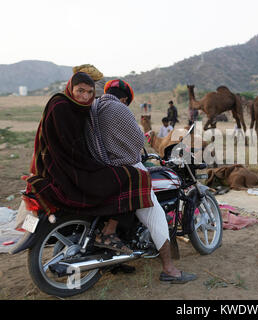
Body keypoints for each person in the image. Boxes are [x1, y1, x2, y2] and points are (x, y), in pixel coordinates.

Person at [26, 72, 154, 256]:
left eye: (89, 92)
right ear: (70, 89)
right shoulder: (61, 106)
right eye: (80, 91)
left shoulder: (78, 107)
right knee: (134, 176)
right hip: (68, 171)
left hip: (70, 166)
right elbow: (68, 147)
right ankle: (108, 233)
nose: (85, 96)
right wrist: (93, 165)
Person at [84, 79, 196, 284]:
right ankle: (169, 270)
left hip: (100, 170)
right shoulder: (119, 109)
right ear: (125, 98)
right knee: (156, 215)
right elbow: (137, 139)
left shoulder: (94, 107)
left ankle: (115, 257)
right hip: (126, 168)